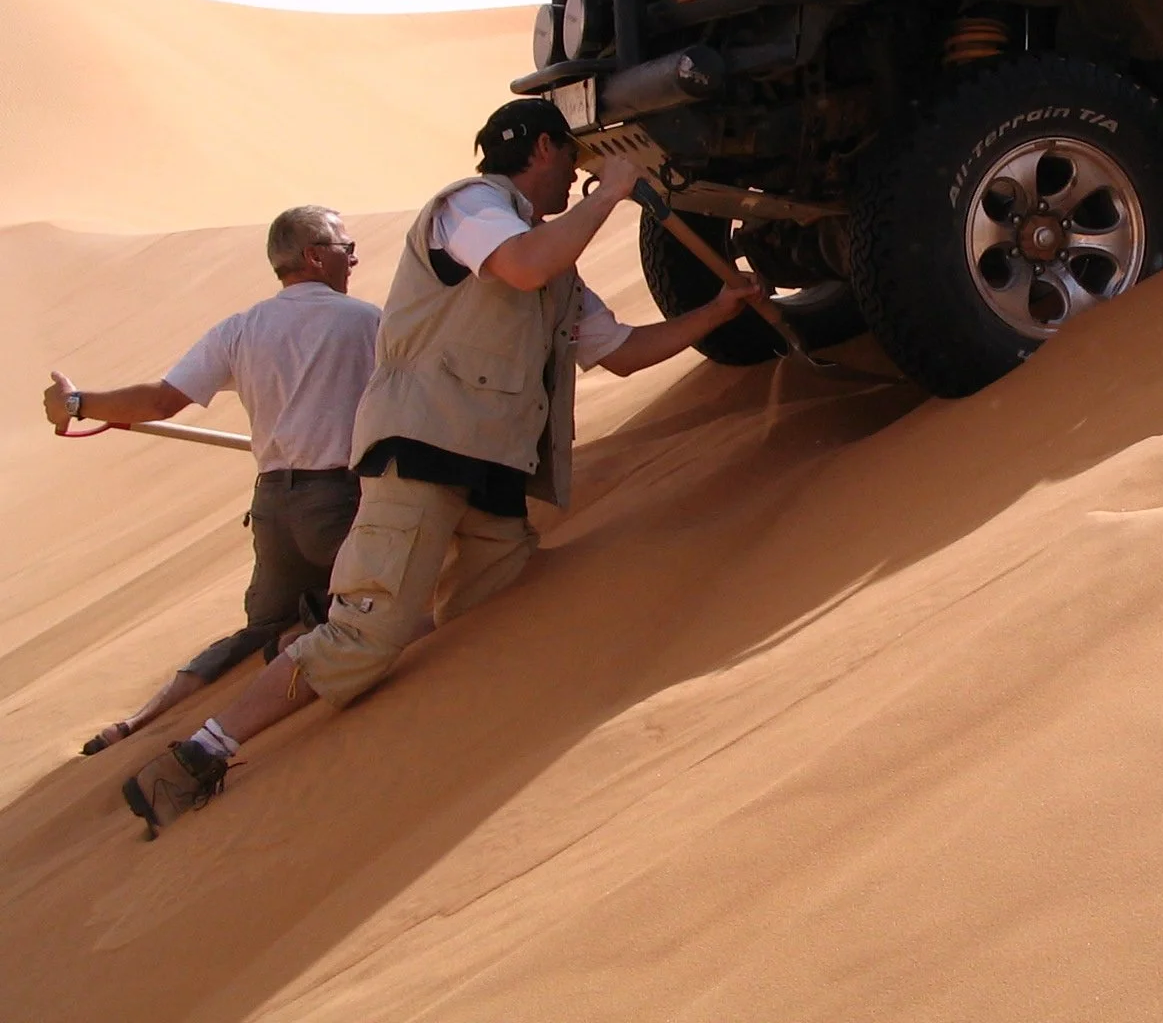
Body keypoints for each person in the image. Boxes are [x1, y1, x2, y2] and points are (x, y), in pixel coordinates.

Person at [119, 100, 762, 835]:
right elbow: (521, 265)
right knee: (367, 633)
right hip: (422, 453)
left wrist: (716, 313)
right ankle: (198, 753)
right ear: (542, 149)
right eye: (573, 158)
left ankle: (381, 700)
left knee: (495, 608)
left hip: (494, 474)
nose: (578, 175)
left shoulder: (555, 265)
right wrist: (612, 194)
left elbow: (620, 352)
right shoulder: (470, 208)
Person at [44, 207, 378, 756]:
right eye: (347, 247)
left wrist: (78, 403)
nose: (354, 258)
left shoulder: (241, 329)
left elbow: (159, 401)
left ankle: (137, 721)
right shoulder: (367, 323)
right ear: (316, 256)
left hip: (274, 511)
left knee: (257, 633)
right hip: (337, 501)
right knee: (369, 612)